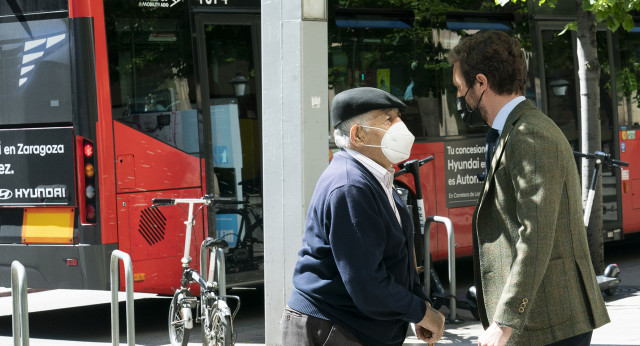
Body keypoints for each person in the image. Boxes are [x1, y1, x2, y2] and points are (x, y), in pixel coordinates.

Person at [449, 31, 610, 346]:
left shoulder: (529, 136)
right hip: (542, 320)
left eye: (460, 88)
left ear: (481, 83)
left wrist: (505, 321)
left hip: (548, 322)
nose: (461, 98)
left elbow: (535, 235)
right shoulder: (514, 130)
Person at [282, 87, 445, 346]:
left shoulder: (374, 176)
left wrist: (416, 306)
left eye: (398, 117)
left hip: (351, 328)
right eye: (388, 119)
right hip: (333, 328)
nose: (400, 125)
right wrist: (422, 312)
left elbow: (395, 257)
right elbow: (368, 283)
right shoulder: (350, 186)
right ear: (358, 135)